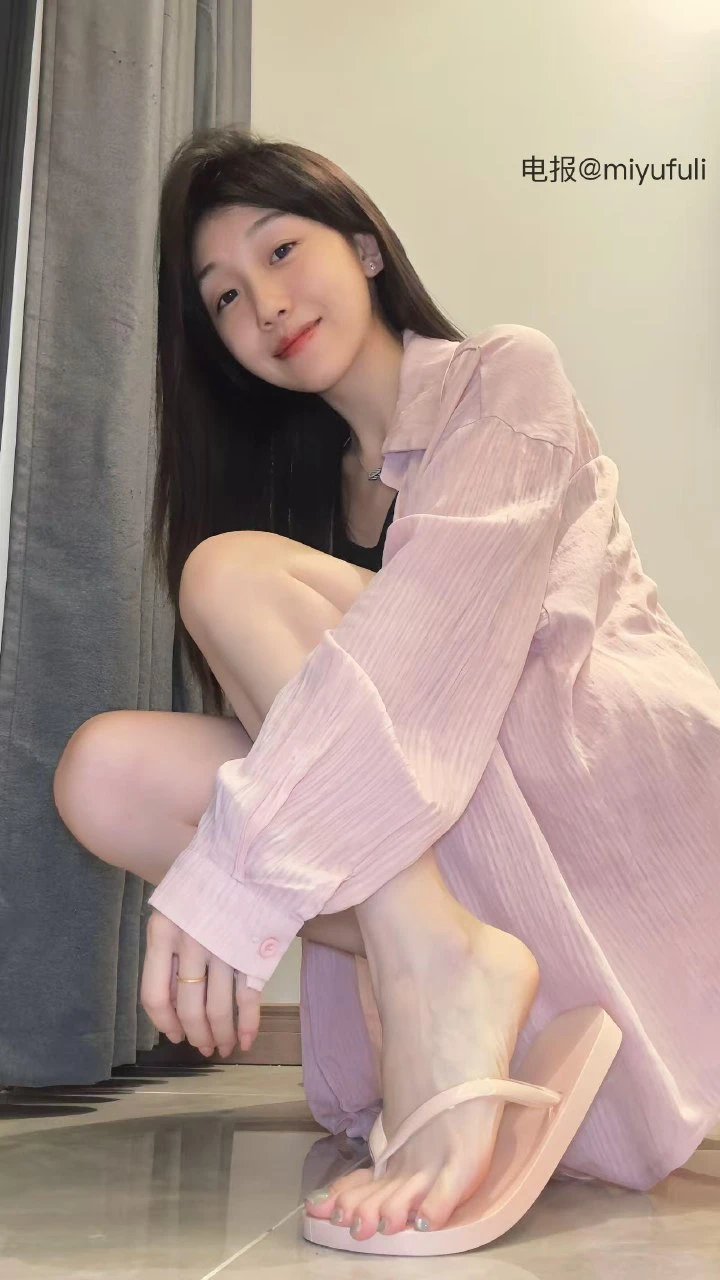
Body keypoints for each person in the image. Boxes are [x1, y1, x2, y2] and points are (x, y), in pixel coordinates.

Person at [52, 126, 720, 1248]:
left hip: (593, 764)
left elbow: (439, 646)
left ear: (364, 248)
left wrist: (232, 879)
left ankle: (440, 971)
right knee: (102, 772)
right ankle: (442, 954)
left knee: (228, 573)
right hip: (452, 819)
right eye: (224, 297)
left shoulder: (504, 375)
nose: (264, 304)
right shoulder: (304, 494)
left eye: (280, 251)